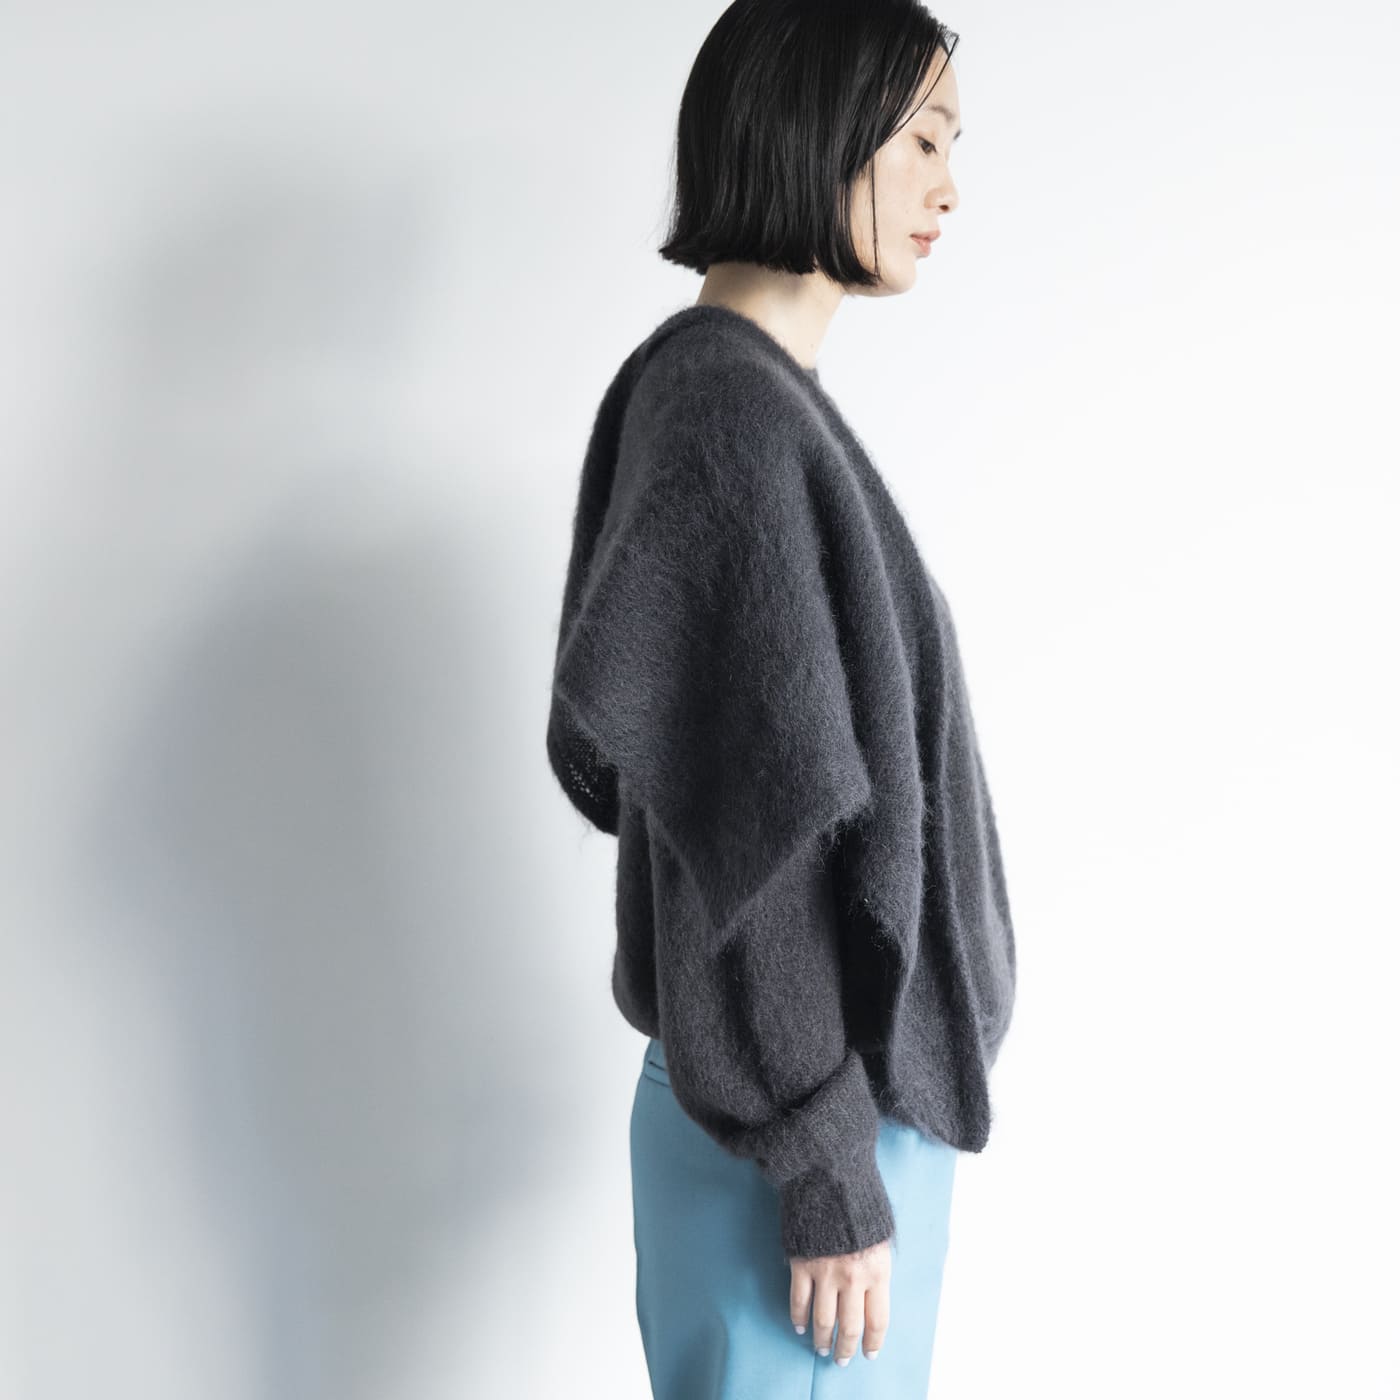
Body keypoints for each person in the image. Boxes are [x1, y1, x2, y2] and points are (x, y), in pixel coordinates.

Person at [546, 2, 1016, 1395]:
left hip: (814, 1125)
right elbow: (742, 844)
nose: (949, 186)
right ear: (817, 129)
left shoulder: (739, 398)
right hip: (802, 1142)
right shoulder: (729, 418)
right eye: (922, 139)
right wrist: (821, 1159)